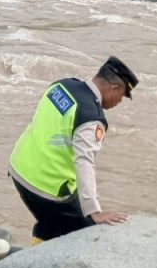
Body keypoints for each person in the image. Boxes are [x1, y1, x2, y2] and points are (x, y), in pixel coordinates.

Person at [8, 56, 139, 242]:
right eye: (122, 96)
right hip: (44, 187)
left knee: (54, 222)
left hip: (19, 168)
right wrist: (94, 212)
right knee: (89, 233)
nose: (119, 102)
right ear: (114, 89)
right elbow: (84, 161)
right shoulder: (91, 117)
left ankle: (38, 247)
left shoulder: (61, 86)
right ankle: (39, 260)